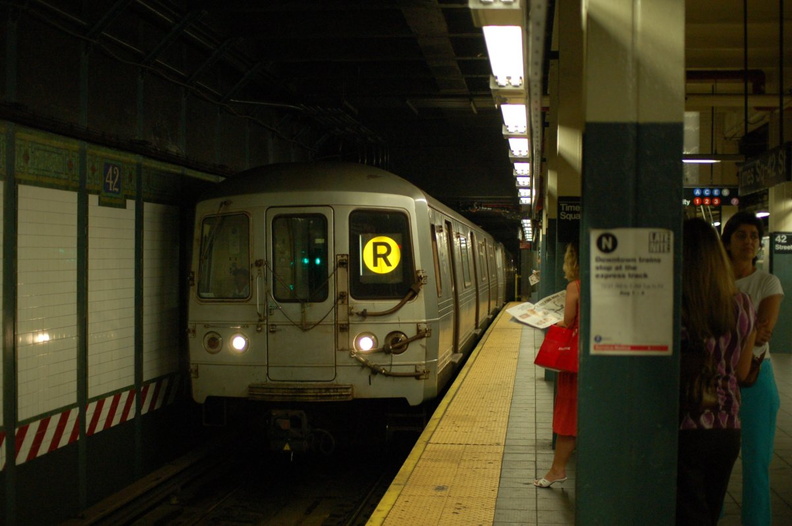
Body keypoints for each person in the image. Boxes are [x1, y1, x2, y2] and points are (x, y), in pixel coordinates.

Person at [676, 218, 756, 525]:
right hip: (727, 426)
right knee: (708, 513)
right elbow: (743, 370)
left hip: (685, 423)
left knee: (684, 514)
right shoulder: (743, 304)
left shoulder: (676, 306)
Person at [721, 211, 784, 526]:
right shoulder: (715, 279)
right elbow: (751, 332)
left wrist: (724, 333)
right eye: (741, 235)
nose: (749, 241)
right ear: (728, 241)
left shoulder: (767, 282)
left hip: (756, 380)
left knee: (756, 463)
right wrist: (745, 330)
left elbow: (763, 332)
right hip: (718, 381)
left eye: (754, 237)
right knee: (715, 463)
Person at [534, 241, 580, 488]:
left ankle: (557, 470)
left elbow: (568, 320)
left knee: (569, 416)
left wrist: (547, 321)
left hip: (576, 361)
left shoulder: (575, 286)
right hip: (603, 357)